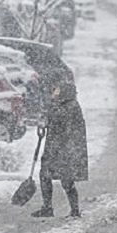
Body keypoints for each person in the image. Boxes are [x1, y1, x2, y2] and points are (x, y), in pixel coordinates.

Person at [33, 81, 88, 218]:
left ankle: (74, 210)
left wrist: (49, 115)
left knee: (67, 179)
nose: (54, 92)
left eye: (57, 90)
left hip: (65, 150)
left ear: (64, 92)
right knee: (45, 175)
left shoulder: (71, 106)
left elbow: (62, 122)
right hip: (55, 148)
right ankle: (47, 207)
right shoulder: (60, 105)